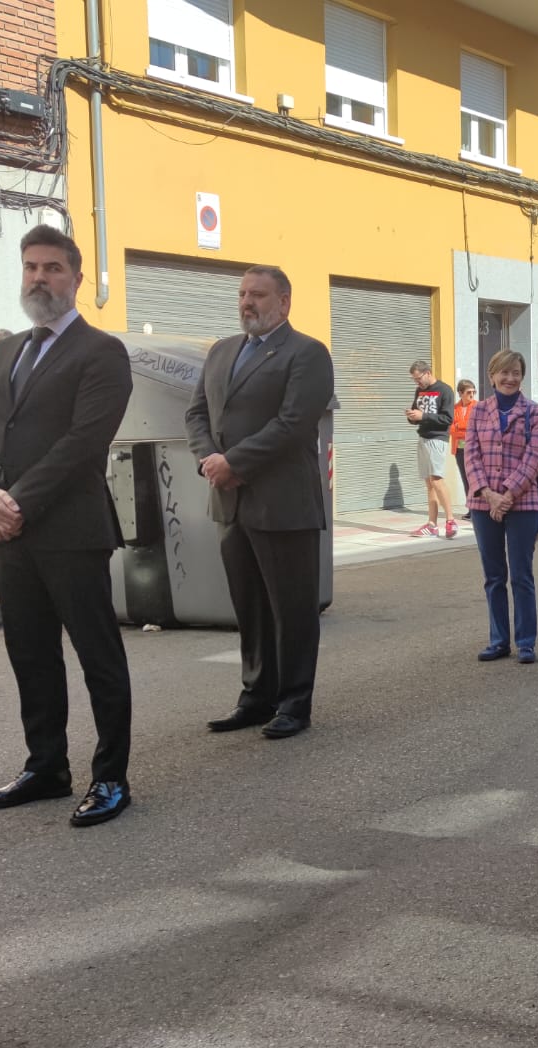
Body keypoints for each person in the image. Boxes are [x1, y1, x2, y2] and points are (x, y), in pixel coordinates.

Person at [0, 226, 137, 826]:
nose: (40, 278)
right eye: (32, 267)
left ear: (77, 279)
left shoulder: (101, 351)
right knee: (31, 656)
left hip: (70, 530)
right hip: (11, 534)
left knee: (98, 658)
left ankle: (111, 778)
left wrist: (16, 503)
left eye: (53, 268)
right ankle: (46, 768)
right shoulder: (9, 350)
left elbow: (83, 443)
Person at [186, 265, 334, 739]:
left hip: (283, 504)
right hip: (229, 503)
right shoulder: (221, 351)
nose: (247, 302)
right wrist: (209, 457)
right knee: (248, 607)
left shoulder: (307, 353)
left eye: (259, 294)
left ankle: (294, 702)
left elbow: (293, 425)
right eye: (243, 293)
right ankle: (256, 696)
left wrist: (234, 462)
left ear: (284, 301)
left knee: (291, 610)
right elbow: (195, 413)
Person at [467, 350, 538, 663]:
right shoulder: (477, 411)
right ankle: (499, 640)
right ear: (492, 376)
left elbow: (533, 458)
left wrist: (507, 494)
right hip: (482, 502)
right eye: (504, 373)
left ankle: (526, 642)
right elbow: (470, 455)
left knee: (521, 575)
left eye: (515, 372)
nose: (510, 378)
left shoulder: (535, 412)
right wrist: (488, 494)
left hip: (523, 503)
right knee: (493, 575)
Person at [406, 360, 457, 539]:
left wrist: (423, 415)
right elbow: (417, 412)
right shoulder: (420, 391)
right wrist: (412, 417)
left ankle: (450, 520)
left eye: (418, 379)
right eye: (414, 380)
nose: (417, 383)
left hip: (437, 438)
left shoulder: (445, 390)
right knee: (429, 484)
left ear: (428, 373)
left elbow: (447, 418)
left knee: (437, 480)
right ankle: (432, 524)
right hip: (423, 436)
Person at [450, 379, 476, 517]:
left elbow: (474, 428)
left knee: (474, 479)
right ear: (460, 393)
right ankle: (471, 509)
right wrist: (463, 427)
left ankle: (477, 508)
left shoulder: (478, 407)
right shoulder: (454, 408)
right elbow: (451, 429)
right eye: (468, 392)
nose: (472, 395)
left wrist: (459, 426)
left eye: (473, 392)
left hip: (474, 449)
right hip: (459, 449)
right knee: (465, 479)